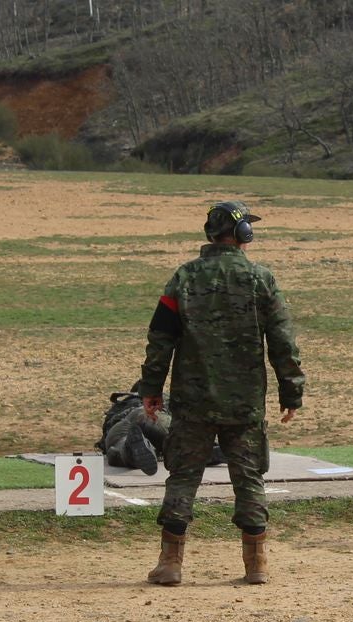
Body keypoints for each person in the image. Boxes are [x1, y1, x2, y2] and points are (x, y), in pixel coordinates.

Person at [137, 201, 305, 586]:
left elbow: (160, 339)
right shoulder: (260, 278)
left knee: (183, 477)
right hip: (244, 402)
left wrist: (151, 387)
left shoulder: (184, 278)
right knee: (249, 479)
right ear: (244, 234)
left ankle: (170, 562)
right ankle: (256, 564)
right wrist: (291, 391)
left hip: (192, 402)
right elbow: (282, 341)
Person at [97, 387, 227, 476]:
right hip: (151, 416)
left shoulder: (119, 406)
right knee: (178, 442)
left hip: (122, 426)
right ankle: (204, 452)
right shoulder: (162, 399)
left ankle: (130, 450)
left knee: (116, 451)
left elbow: (105, 438)